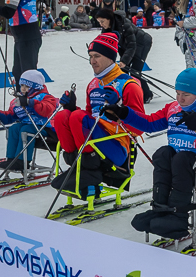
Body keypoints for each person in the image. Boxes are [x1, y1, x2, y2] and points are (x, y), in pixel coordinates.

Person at [102, 68, 196, 238]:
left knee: (181, 158)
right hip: (183, 172)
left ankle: (178, 216)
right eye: (177, 93)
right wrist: (123, 112)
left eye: (186, 94)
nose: (180, 99)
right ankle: (160, 209)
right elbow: (149, 124)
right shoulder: (173, 109)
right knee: (163, 153)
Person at [51, 33, 145, 194]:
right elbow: (89, 117)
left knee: (77, 117)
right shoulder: (93, 84)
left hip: (117, 146)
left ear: (110, 57)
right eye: (90, 56)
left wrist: (120, 107)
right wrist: (71, 107)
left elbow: (140, 128)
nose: (92, 61)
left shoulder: (129, 85)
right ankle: (77, 163)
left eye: (97, 56)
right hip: (93, 142)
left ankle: (87, 166)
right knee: (63, 116)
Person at [0, 69, 59, 172]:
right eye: (22, 85)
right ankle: (11, 159)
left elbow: (47, 110)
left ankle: (22, 161)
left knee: (25, 129)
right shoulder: (18, 101)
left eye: (27, 86)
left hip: (45, 128)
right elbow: (10, 116)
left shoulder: (46, 97)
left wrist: (31, 103)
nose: (23, 89)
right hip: (27, 127)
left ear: (35, 87)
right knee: (14, 128)